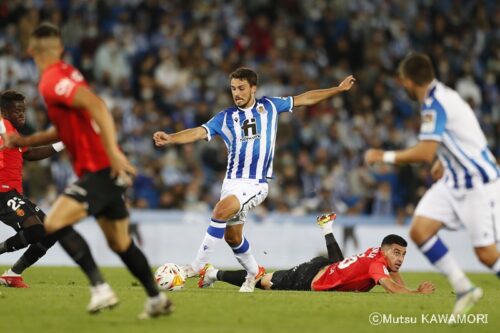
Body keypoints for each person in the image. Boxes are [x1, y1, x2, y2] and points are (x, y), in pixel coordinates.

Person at [4, 23, 172, 319]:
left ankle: (100, 288)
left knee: (52, 223)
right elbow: (68, 126)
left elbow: (97, 106)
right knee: (120, 242)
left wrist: (111, 153)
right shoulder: (68, 74)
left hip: (100, 168)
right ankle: (156, 299)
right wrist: (26, 141)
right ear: (61, 49)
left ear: (31, 51)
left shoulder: (51, 80)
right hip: (103, 169)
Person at [153, 68, 356, 292]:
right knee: (232, 237)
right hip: (231, 183)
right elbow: (199, 132)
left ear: (253, 88)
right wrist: (171, 137)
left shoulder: (269, 106)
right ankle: (254, 271)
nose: (236, 93)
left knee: (220, 211)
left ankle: (195, 267)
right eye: (233, 89)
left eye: (241, 88)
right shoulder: (225, 117)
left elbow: (304, 98)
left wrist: (338, 90)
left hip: (255, 183)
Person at [364, 53, 500, 315]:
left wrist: (384, 156)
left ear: (409, 80)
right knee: (420, 230)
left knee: (486, 254)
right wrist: (444, 160)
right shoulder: (445, 96)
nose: (403, 86)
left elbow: (425, 152)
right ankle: (465, 289)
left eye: (403, 81)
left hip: (477, 183)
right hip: (454, 179)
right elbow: (458, 138)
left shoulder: (434, 103)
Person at [199, 212, 435, 294]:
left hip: (326, 266)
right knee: (262, 281)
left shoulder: (376, 253)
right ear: (384, 251)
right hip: (307, 278)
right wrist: (415, 294)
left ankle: (326, 227)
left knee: (339, 262)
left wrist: (409, 289)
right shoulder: (376, 265)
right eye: (396, 253)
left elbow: (394, 276)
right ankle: (212, 273)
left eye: (403, 254)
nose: (400, 259)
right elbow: (392, 287)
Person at [0, 89, 76, 288]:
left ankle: (13, 274)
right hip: (2, 193)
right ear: (5, 113)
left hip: (13, 194)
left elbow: (31, 154)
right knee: (35, 229)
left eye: (23, 110)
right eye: (17, 110)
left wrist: (63, 144)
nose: (22, 114)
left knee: (52, 230)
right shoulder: (3, 126)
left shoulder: (13, 134)